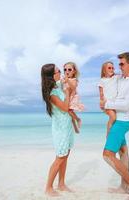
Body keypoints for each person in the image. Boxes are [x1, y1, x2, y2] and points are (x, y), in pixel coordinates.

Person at [100, 52, 129, 200]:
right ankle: (124, 187)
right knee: (123, 153)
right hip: (117, 119)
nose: (119, 67)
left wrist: (106, 104)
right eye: (118, 64)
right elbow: (107, 82)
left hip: (122, 121)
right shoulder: (121, 79)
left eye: (122, 64)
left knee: (107, 155)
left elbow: (125, 105)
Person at [41, 63, 74, 196]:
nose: (61, 72)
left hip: (67, 126)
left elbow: (70, 81)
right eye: (58, 71)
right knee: (60, 157)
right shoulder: (52, 94)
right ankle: (48, 187)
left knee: (65, 155)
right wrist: (66, 93)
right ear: (52, 75)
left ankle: (61, 184)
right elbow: (65, 108)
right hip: (60, 129)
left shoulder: (57, 85)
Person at [62, 62, 84, 133]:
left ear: (74, 71)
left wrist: (67, 80)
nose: (67, 71)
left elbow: (73, 87)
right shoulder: (65, 80)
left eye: (69, 69)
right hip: (67, 97)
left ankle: (78, 119)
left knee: (69, 110)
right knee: (69, 113)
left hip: (73, 97)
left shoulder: (74, 80)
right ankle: (75, 128)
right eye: (65, 70)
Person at [98, 61, 118, 137]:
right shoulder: (102, 80)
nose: (111, 69)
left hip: (115, 103)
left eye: (113, 68)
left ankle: (113, 134)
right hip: (106, 103)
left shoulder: (115, 77)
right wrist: (102, 102)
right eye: (109, 68)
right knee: (113, 117)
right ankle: (108, 135)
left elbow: (125, 75)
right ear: (104, 70)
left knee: (116, 120)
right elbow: (101, 93)